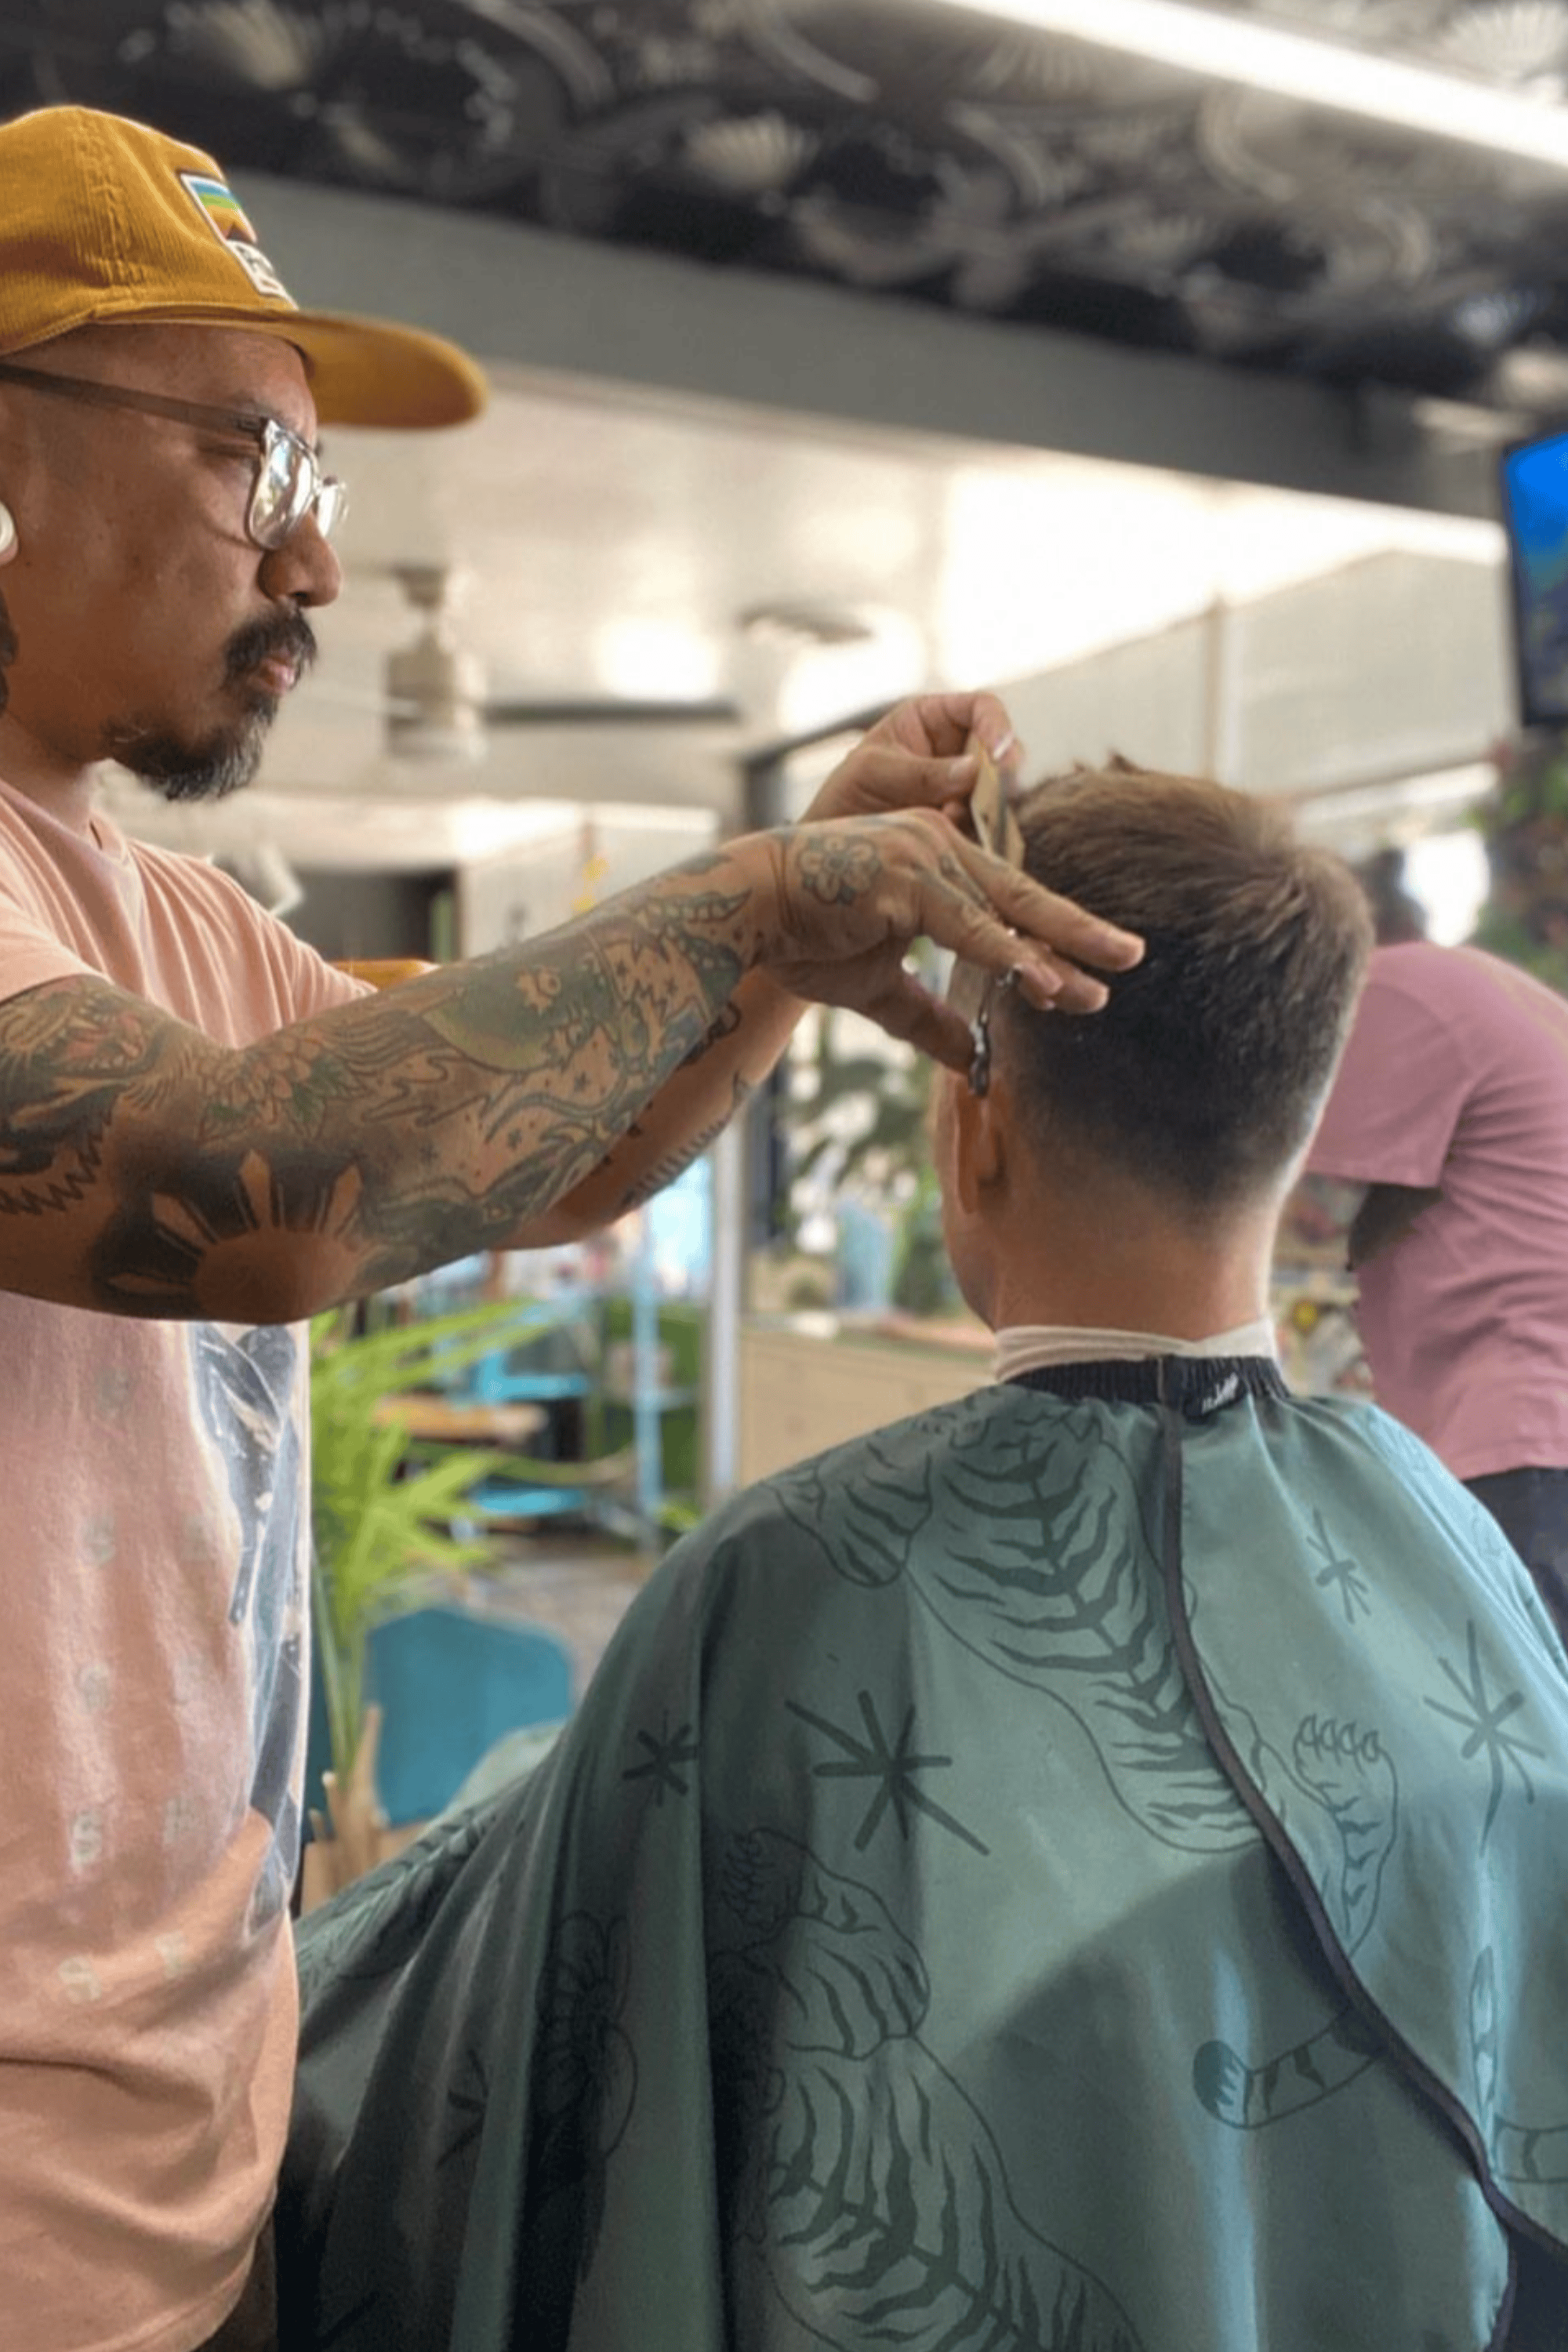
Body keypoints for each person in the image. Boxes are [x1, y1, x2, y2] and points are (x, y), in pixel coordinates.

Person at [0, 102, 1146, 2352]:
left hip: (179, 2154)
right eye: (262, 469)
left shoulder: (154, 911)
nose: (314, 571)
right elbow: (259, 1193)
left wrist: (776, 948)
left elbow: (554, 1159)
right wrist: (742, 897)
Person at [278, 763, 1568, 2352]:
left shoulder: (770, 1584)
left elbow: (507, 2083)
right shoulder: (1454, 1532)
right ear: (1298, 1144)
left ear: (975, 1124)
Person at [1303, 933, 1568, 1646]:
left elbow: (1289, 1206)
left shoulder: (1394, 990)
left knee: (1493, 1735)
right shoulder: (1513, 998)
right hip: (1536, 1435)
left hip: (1518, 1442)